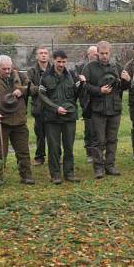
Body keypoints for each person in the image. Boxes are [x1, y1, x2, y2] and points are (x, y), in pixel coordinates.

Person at [0, 54, 34, 184]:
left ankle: (26, 176)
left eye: (9, 68)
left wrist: (22, 90)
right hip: (0, 121)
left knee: (23, 151)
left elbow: (33, 89)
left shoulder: (20, 76)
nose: (7, 71)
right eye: (4, 69)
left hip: (19, 120)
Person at [84, 41, 130, 178]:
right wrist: (99, 90)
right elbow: (83, 87)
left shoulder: (116, 66)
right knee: (99, 140)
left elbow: (123, 87)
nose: (104, 56)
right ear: (97, 52)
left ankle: (110, 166)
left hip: (114, 109)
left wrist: (127, 80)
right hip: (98, 109)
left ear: (110, 52)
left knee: (112, 139)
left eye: (106, 53)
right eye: (102, 53)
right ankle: (98, 168)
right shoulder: (89, 67)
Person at [39, 50, 85, 183]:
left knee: (69, 146)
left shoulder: (71, 75)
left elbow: (78, 94)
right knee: (54, 147)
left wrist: (82, 84)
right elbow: (42, 96)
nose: (61, 64)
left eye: (64, 62)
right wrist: (55, 108)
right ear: (54, 60)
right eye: (59, 61)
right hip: (52, 117)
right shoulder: (46, 76)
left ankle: (69, 173)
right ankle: (55, 175)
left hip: (69, 117)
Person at [26, 46, 53, 166]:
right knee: (40, 135)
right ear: (37, 56)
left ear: (49, 56)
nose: (43, 55)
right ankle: (39, 157)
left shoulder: (55, 69)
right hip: (39, 108)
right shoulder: (31, 71)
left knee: (54, 135)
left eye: (45, 53)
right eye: (41, 53)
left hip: (53, 107)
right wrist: (43, 88)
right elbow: (30, 89)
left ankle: (55, 156)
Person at [75, 45, 98, 162]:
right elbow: (77, 85)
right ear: (88, 55)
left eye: (96, 54)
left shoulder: (100, 67)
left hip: (98, 101)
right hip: (86, 101)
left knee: (98, 129)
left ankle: (98, 152)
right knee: (89, 129)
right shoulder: (79, 68)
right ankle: (89, 152)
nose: (95, 56)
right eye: (93, 54)